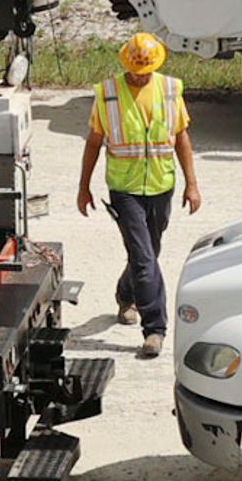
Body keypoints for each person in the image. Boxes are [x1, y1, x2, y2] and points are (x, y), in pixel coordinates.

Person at [76, 31, 202, 359]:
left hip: (161, 185)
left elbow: (181, 138)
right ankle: (155, 330)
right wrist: (83, 187)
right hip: (125, 190)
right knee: (145, 259)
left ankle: (125, 294)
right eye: (134, 70)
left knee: (148, 252)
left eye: (145, 71)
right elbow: (93, 142)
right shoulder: (108, 94)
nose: (138, 76)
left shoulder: (171, 89)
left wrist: (192, 183)